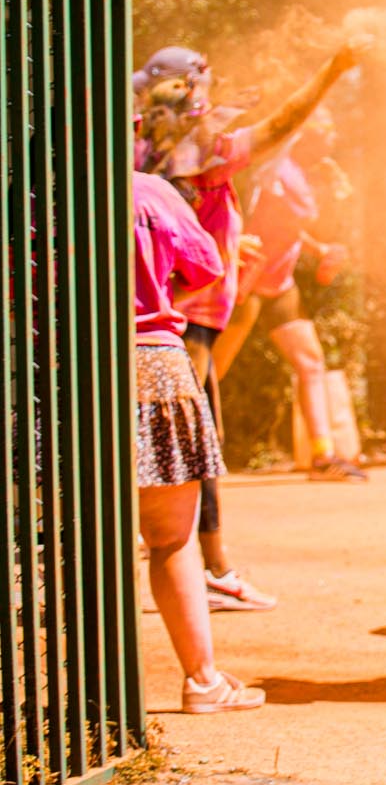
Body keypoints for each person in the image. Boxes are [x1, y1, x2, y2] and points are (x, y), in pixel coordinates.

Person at [135, 38, 366, 611]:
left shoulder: (142, 145)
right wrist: (331, 70)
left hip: (166, 314)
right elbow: (281, 123)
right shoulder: (205, 149)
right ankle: (210, 569)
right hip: (184, 317)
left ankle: (204, 565)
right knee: (191, 450)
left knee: (174, 443)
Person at [133, 171, 265, 713]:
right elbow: (209, 267)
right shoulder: (148, 192)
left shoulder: (30, 192)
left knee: (81, 538)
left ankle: (85, 695)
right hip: (153, 364)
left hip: (59, 369)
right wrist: (156, 298)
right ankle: (202, 681)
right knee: (170, 539)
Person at [214, 106, 363, 480]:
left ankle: (323, 457)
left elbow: (289, 228)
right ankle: (198, 454)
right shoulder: (282, 174)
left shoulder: (295, 172)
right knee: (212, 369)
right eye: (325, 134)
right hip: (248, 283)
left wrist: (319, 250)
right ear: (307, 138)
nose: (331, 141)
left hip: (279, 285)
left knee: (310, 362)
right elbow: (287, 221)